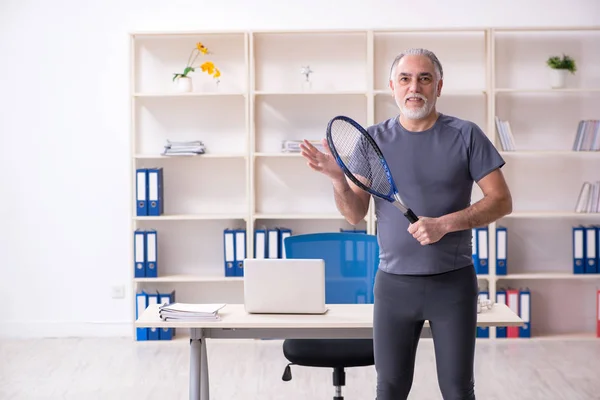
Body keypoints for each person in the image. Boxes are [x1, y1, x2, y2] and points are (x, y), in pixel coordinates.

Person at [299, 48, 512, 400]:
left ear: (438, 87)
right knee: (390, 390)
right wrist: (338, 179)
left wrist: (444, 224)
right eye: (405, 79)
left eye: (424, 79)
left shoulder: (466, 134)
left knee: (459, 391)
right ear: (392, 87)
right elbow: (354, 213)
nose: (415, 87)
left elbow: (501, 201)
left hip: (453, 285)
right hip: (394, 287)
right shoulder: (372, 140)